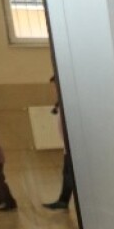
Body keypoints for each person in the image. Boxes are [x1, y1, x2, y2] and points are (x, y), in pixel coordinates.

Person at [44, 74, 74, 211]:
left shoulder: (70, 98)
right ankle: (63, 201)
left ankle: (67, 201)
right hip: (67, 147)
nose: (55, 89)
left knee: (71, 175)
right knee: (67, 174)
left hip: (74, 147)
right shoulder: (62, 99)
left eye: (56, 85)